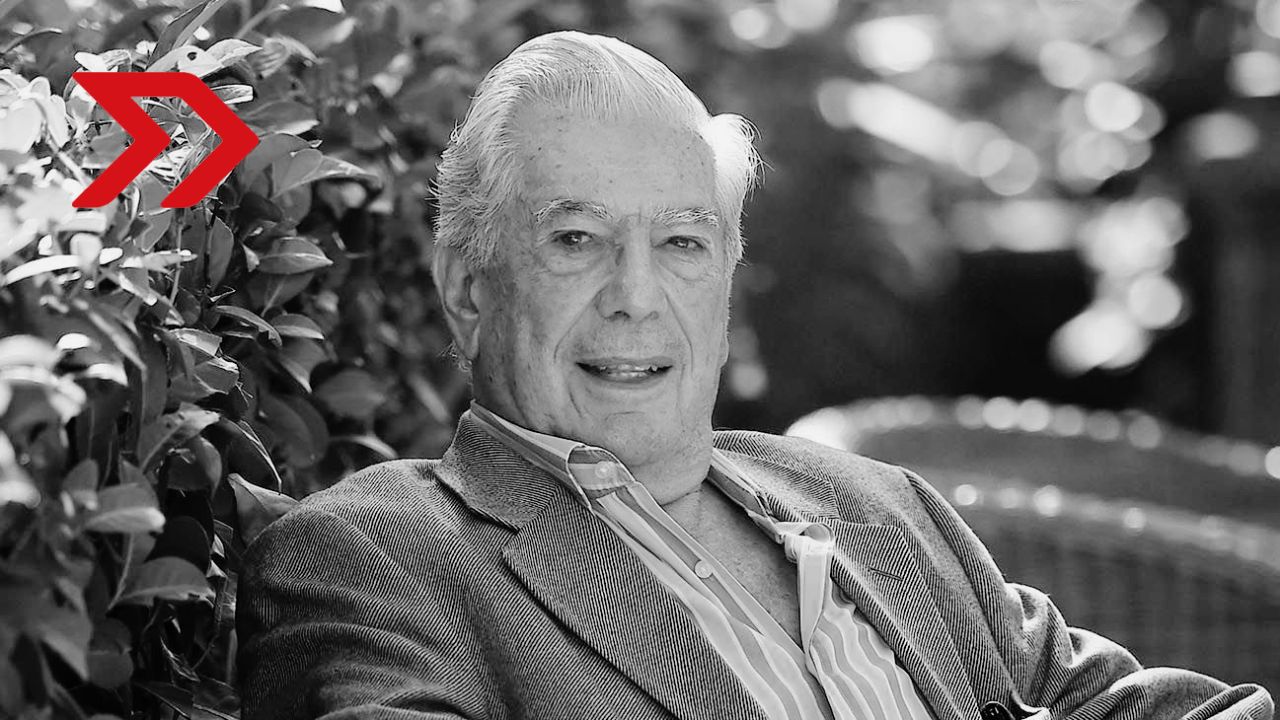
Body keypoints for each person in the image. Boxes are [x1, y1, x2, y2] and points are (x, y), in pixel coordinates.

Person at [237, 30, 1275, 720]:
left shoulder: (874, 503)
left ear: (727, 280)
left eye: (682, 244)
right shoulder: (377, 555)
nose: (636, 296)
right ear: (468, 288)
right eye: (576, 239)